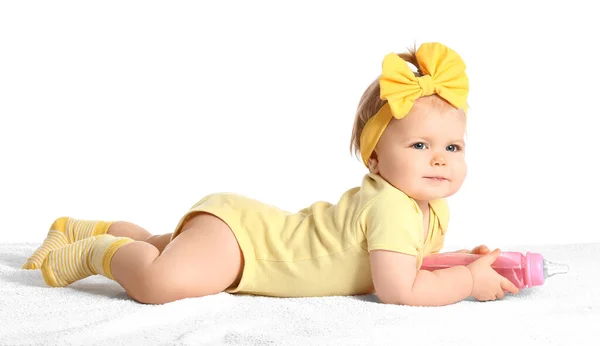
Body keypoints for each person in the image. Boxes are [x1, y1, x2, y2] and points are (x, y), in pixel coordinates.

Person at [22, 42, 520, 306]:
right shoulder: (389, 204)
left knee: (166, 245)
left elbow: (404, 262)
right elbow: (399, 290)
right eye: (420, 144)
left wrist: (458, 259)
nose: (440, 158)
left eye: (452, 146)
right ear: (374, 160)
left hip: (245, 232)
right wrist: (466, 282)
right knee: (160, 282)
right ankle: (94, 252)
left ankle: (89, 228)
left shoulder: (429, 210)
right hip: (249, 247)